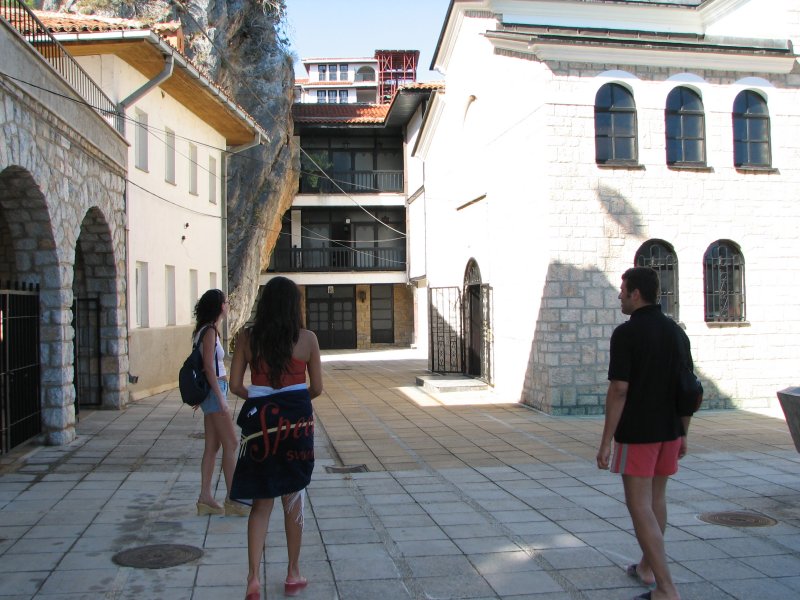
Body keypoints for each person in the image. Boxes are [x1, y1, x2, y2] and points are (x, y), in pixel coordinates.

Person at [596, 267, 696, 600]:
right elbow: (688, 389)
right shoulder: (676, 332)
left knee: (639, 506)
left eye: (623, 289)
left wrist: (606, 441)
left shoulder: (626, 334)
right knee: (656, 500)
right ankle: (646, 567)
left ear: (636, 293)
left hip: (639, 433)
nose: (620, 295)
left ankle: (666, 589)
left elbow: (619, 390)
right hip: (670, 431)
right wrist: (684, 432)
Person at [229, 276, 322, 600]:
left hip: (261, 425)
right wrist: (292, 401)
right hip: (295, 424)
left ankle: (253, 578)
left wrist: (260, 397)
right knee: (293, 497)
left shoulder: (247, 338)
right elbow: (317, 388)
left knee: (261, 501)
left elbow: (235, 385)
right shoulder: (308, 339)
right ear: (294, 305)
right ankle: (293, 573)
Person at [193, 289, 249, 517]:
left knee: (212, 446)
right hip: (216, 391)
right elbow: (208, 367)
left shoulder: (204, 330)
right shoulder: (209, 332)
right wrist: (220, 398)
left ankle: (205, 498)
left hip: (212, 392)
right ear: (219, 306)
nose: (228, 305)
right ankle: (233, 498)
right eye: (226, 302)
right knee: (231, 443)